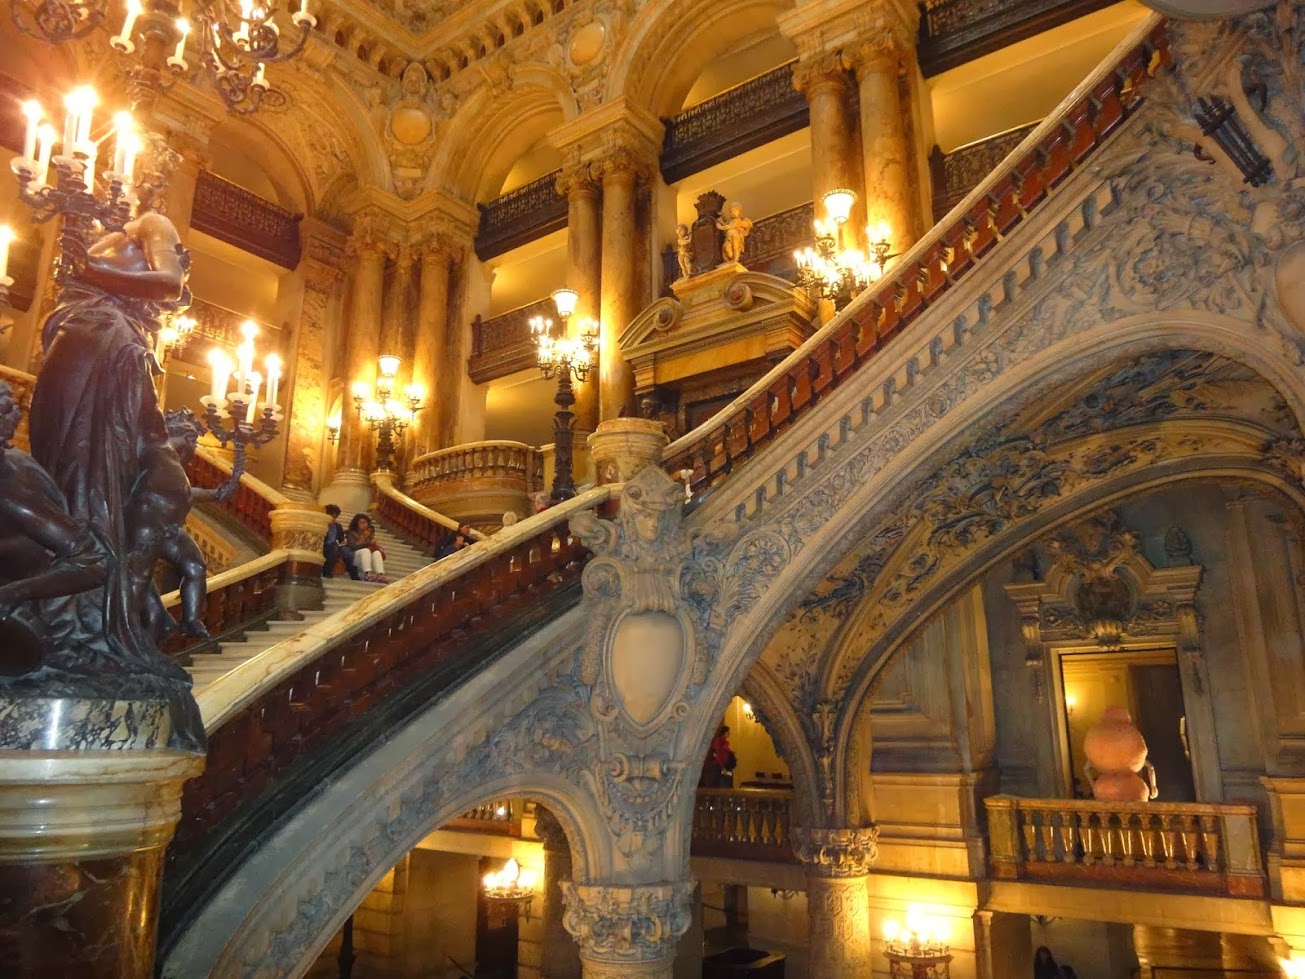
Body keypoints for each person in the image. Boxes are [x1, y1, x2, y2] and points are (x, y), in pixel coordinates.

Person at [125, 409, 234, 643]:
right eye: (195, 442)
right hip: (146, 526)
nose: (194, 453)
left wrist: (214, 494)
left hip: (170, 529)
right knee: (139, 581)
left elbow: (183, 492)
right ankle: (121, 629)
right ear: (189, 439)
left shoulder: (172, 462)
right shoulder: (152, 452)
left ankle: (191, 619)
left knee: (195, 567)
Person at [347, 513, 387, 582]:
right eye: (361, 523)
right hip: (356, 558)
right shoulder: (351, 533)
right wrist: (367, 543)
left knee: (377, 552)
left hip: (367, 559)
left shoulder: (369, 534)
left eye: (365, 523)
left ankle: (380, 574)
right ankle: (367, 574)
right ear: (356, 524)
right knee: (365, 550)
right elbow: (353, 547)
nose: (364, 525)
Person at [322, 504, 358, 579]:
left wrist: (341, 546)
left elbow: (341, 540)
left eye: (335, 517)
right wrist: (327, 525)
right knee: (334, 547)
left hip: (336, 547)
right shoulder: (321, 524)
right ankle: (327, 571)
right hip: (323, 546)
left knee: (348, 551)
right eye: (332, 516)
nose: (333, 518)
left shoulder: (338, 526)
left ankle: (354, 574)